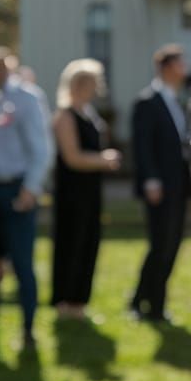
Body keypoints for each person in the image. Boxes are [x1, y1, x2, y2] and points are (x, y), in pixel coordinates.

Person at [0, 46, 51, 350]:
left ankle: (29, 329)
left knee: (22, 262)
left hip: (17, 189)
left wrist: (31, 188)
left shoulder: (27, 97)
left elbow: (41, 147)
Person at [50, 59, 121, 318]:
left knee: (89, 241)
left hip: (90, 188)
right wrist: (103, 160)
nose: (95, 87)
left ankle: (80, 300)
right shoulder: (65, 115)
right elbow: (72, 156)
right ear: (77, 83)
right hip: (72, 191)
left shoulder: (89, 112)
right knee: (72, 241)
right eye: (91, 82)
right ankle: (65, 300)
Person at [130, 44, 191, 323]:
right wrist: (151, 180)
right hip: (161, 186)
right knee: (161, 244)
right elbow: (142, 146)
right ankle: (152, 306)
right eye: (180, 64)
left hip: (179, 184)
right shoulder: (148, 101)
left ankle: (140, 299)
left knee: (172, 243)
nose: (185, 70)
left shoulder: (177, 100)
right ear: (167, 67)